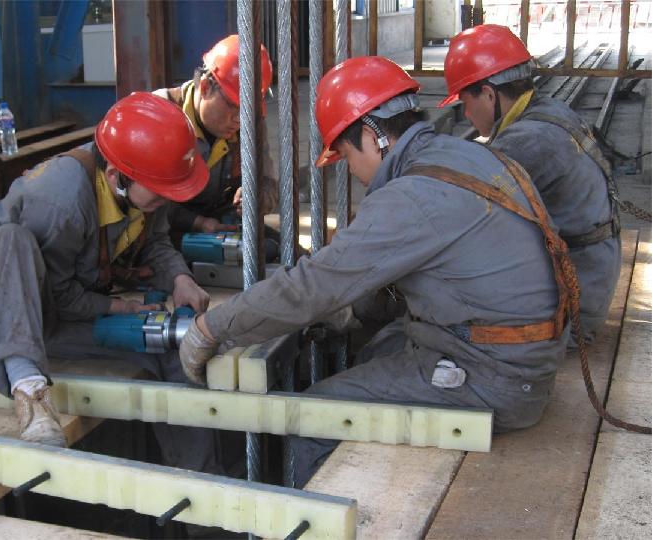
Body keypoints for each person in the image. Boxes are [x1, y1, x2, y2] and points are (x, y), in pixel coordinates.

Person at [178, 56, 571, 487]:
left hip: (495, 378)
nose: (352, 172)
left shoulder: (411, 196)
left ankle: (328, 517)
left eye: (346, 155)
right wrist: (354, 312)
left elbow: (313, 286)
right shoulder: (464, 156)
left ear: (372, 134)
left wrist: (211, 328)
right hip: (519, 358)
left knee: (310, 416)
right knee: (372, 349)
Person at [0, 93, 211, 449]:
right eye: (161, 192)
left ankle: (196, 474)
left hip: (54, 313)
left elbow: (156, 241)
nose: (168, 199)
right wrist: (118, 307)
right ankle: (28, 388)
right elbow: (58, 296)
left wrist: (181, 279)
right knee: (13, 239)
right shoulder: (63, 199)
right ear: (116, 177)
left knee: (166, 346)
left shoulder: (144, 183)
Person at [440, 24, 621, 342]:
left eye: (465, 102)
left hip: (574, 311)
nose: (465, 114)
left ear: (489, 94)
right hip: (590, 276)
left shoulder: (527, 142)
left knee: (441, 317)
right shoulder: (548, 111)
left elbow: (467, 219)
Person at [152, 34, 278, 240]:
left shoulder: (249, 123)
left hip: (222, 222)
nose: (240, 119)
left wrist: (257, 198)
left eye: (248, 110)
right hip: (164, 232)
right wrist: (197, 223)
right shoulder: (158, 114)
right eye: (233, 106)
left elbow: (269, 183)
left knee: (287, 251)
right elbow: (147, 200)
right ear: (205, 87)